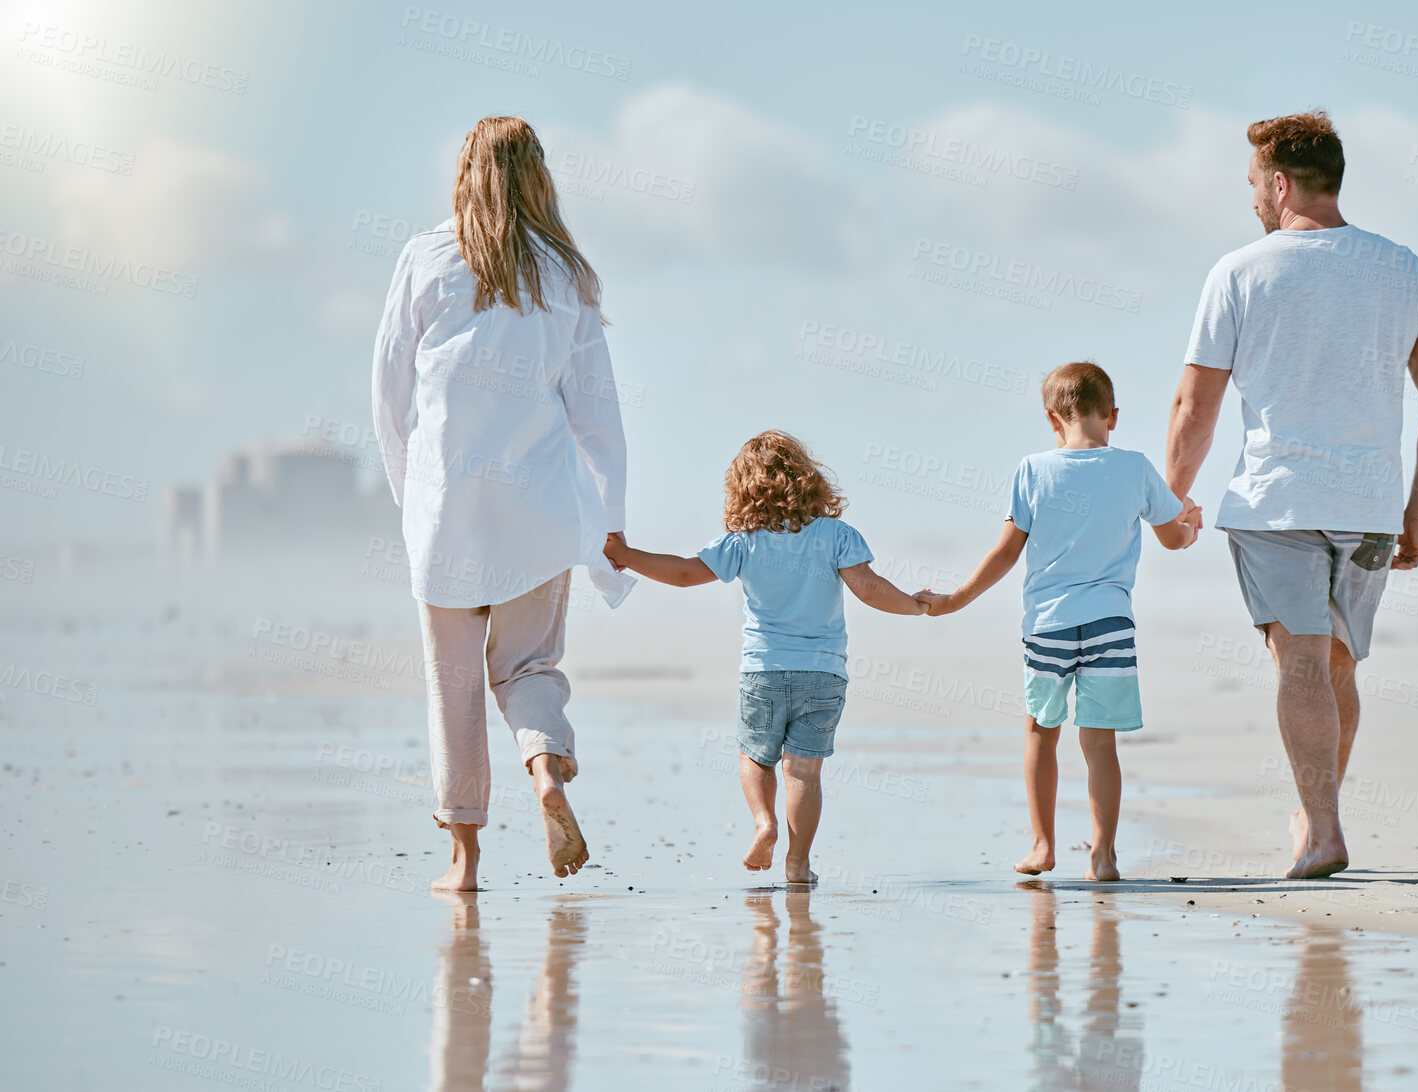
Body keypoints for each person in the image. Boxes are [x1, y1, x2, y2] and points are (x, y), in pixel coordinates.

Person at [1164, 110, 1418, 880]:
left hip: (1276, 505)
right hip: (1367, 504)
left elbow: (1193, 405)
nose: (1252, 201)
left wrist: (1172, 498)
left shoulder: (1239, 271)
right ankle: (1316, 815)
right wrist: (1417, 510)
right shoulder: (1403, 268)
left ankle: (1324, 828)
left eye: (1253, 185)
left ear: (1279, 181)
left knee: (1296, 665)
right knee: (1335, 669)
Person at [372, 116, 636, 892]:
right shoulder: (565, 273)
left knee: (451, 683)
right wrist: (610, 523)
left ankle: (464, 861)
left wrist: (409, 497)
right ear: (538, 176)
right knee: (528, 666)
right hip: (539, 509)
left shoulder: (425, 256)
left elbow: (388, 396)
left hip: (445, 508)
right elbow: (599, 412)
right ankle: (545, 770)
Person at [604, 431, 927, 884]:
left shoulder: (743, 542)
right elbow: (870, 589)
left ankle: (763, 822)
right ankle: (798, 863)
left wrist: (624, 554)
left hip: (764, 672)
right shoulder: (837, 535)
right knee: (804, 773)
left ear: (742, 488)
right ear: (808, 478)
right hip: (822, 675)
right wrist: (916, 605)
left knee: (755, 757)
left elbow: (681, 573)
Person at [919, 363, 1198, 881]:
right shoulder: (1135, 467)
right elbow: (1172, 537)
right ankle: (1104, 855)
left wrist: (957, 598)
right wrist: (1191, 526)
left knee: (1040, 731)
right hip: (1110, 622)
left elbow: (1005, 552)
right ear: (1112, 416)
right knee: (1100, 741)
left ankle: (1043, 845)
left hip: (1047, 622)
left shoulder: (1032, 470)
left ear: (1053, 419)